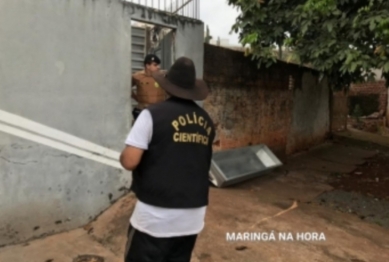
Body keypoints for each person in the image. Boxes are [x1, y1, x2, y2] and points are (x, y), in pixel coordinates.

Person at [120, 57, 215, 262]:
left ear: (168, 86)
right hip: (192, 216)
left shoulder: (151, 115)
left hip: (155, 216)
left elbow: (130, 161)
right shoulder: (206, 120)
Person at [131, 54, 167, 121]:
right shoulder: (137, 76)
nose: (158, 67)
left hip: (159, 111)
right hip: (143, 111)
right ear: (147, 66)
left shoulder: (163, 76)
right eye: (155, 65)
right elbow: (126, 88)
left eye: (158, 65)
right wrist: (137, 98)